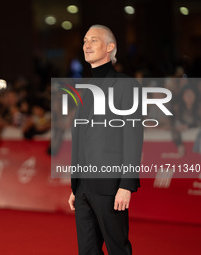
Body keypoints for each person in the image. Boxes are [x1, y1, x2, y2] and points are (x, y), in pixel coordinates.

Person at [68, 25, 143, 255]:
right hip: (83, 188)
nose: (86, 45)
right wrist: (76, 185)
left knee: (117, 249)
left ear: (110, 47)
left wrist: (126, 185)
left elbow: (133, 138)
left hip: (111, 186)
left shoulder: (125, 85)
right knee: (87, 251)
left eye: (94, 40)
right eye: (84, 41)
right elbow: (82, 139)